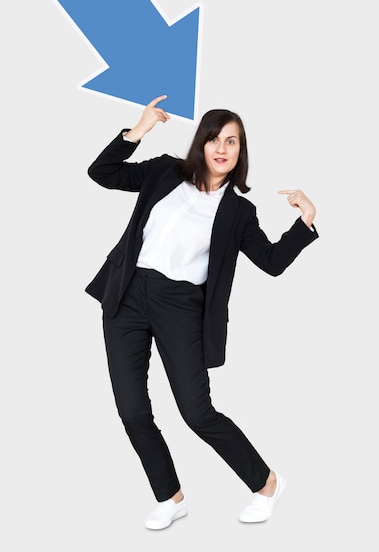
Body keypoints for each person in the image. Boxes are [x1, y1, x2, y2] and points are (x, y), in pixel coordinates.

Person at [85, 95, 318, 530]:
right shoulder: (164, 171)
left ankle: (267, 484)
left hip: (181, 307)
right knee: (132, 409)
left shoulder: (239, 212)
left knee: (197, 412)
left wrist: (304, 223)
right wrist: (138, 130)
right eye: (214, 138)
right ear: (201, 143)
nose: (222, 148)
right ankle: (170, 497)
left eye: (232, 141)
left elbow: (271, 261)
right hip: (128, 294)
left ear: (240, 151)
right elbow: (102, 173)